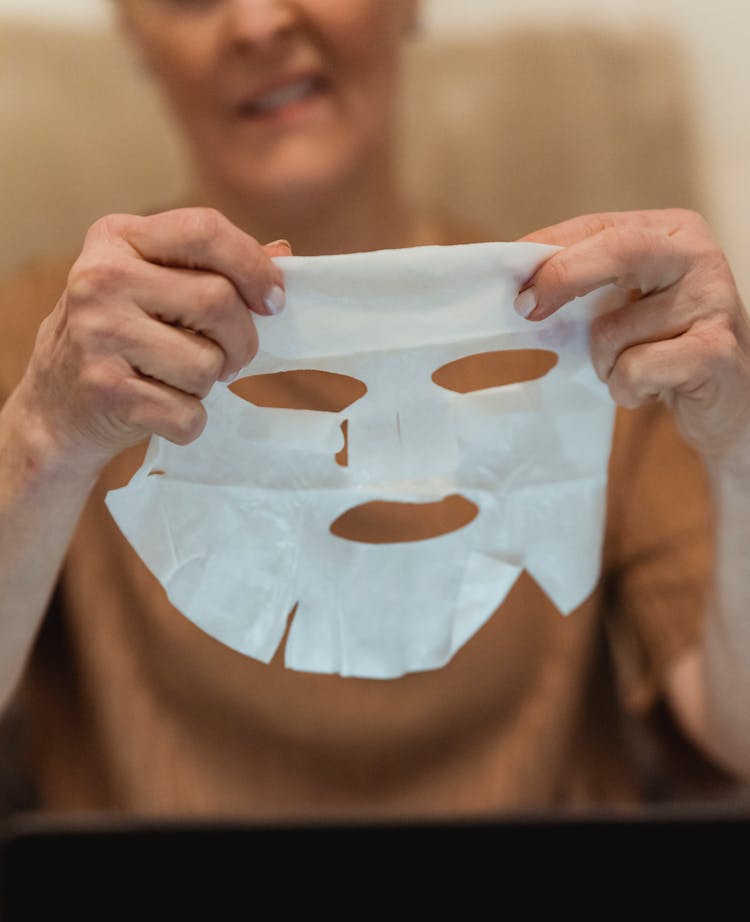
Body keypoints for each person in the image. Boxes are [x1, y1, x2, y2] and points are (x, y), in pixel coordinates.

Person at [0, 0, 748, 817]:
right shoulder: (52, 345)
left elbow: (735, 731)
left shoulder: (600, 330)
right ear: (136, 37)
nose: (255, 24)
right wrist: (45, 434)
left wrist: (739, 446)